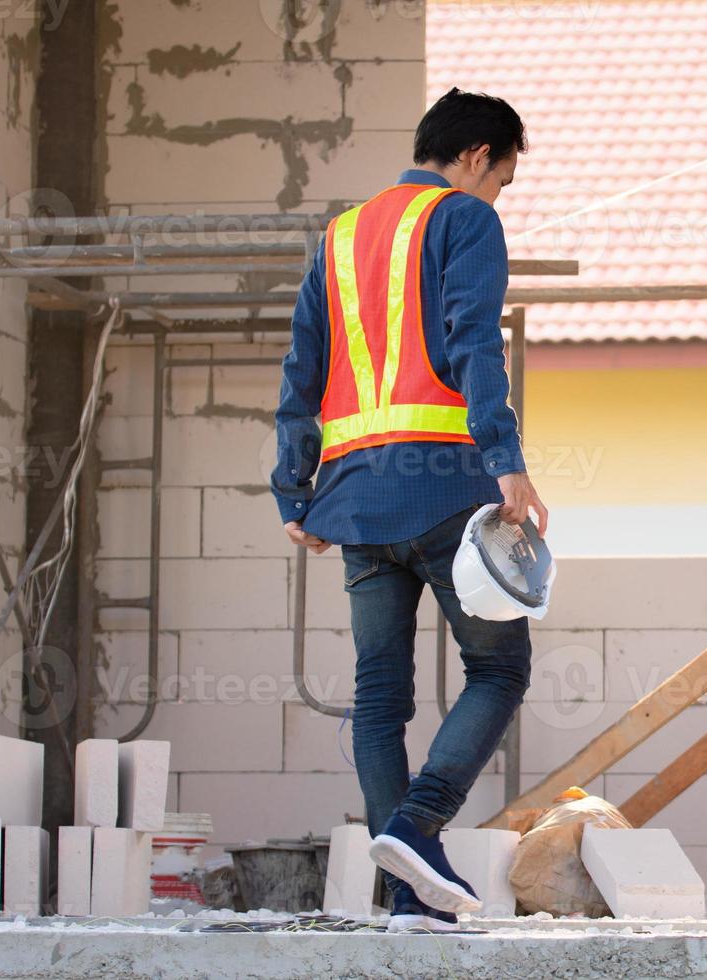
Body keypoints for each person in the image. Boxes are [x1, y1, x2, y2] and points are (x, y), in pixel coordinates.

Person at [271, 88, 548, 931]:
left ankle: (407, 898)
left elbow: (301, 370)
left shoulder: (340, 235)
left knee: (378, 696)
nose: (496, 194)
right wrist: (508, 464)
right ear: (474, 158)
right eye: (501, 178)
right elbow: (474, 342)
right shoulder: (464, 221)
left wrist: (294, 487)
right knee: (499, 670)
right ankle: (417, 826)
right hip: (447, 492)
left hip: (354, 504)